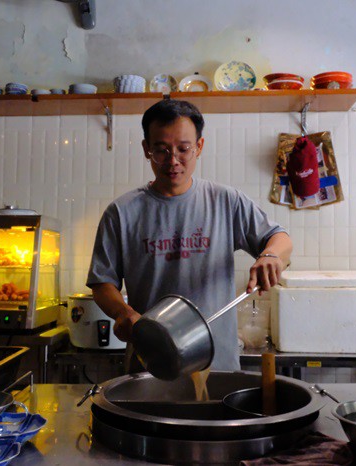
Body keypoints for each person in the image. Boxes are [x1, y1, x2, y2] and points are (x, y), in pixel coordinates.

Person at [86, 99, 292, 373]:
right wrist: (124, 313)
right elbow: (102, 283)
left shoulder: (225, 201)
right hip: (152, 363)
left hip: (218, 365)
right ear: (147, 149)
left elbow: (280, 239)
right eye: (161, 150)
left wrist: (270, 256)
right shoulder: (122, 212)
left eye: (183, 149)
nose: (173, 161)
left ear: (199, 147)